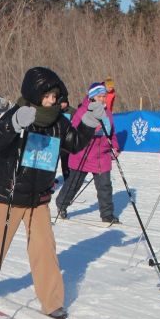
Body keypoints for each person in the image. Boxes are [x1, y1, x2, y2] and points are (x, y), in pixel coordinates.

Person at [0, 67, 104, 319]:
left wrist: (89, 122)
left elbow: (74, 143)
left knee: (45, 250)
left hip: (38, 198)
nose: (51, 101)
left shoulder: (58, 122)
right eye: (47, 96)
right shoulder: (17, 113)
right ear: (34, 94)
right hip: (7, 195)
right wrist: (13, 125)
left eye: (54, 96)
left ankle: (52, 302)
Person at [55, 82, 120, 224]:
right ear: (92, 97)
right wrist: (89, 129)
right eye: (99, 96)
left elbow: (112, 134)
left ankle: (107, 215)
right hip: (83, 154)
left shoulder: (107, 113)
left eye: (104, 96)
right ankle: (61, 204)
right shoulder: (82, 111)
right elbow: (73, 131)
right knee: (73, 184)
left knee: (105, 187)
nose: (103, 99)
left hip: (101, 156)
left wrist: (115, 147)